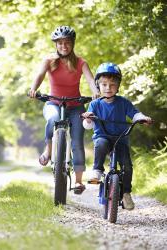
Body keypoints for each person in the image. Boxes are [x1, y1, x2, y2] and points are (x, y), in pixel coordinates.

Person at [29, 25, 99, 194]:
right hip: (53, 103)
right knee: (52, 119)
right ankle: (49, 149)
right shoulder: (49, 61)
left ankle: (78, 181)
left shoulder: (81, 62)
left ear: (72, 44)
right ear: (56, 45)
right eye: (60, 43)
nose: (64, 46)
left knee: (77, 141)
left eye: (67, 43)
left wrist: (95, 91)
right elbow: (39, 76)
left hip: (75, 106)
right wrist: (33, 88)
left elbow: (90, 79)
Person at [81, 62, 152, 210]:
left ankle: (126, 193)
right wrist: (88, 119)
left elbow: (135, 114)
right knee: (100, 144)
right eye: (104, 84)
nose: (108, 88)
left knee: (127, 165)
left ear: (118, 86)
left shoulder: (123, 102)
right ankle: (97, 171)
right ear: (98, 85)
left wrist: (142, 118)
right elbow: (88, 125)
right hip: (103, 137)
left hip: (120, 138)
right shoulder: (95, 104)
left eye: (112, 85)